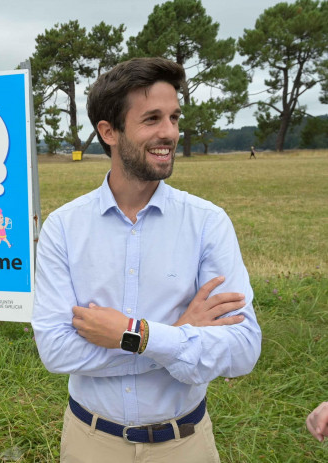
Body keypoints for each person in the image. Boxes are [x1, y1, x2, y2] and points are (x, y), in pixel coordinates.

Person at [31, 57, 262, 463]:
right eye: (152, 118)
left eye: (174, 117)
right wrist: (181, 338)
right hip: (91, 442)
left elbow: (243, 348)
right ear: (109, 131)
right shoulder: (63, 228)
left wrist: (134, 334)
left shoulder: (207, 223)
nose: (169, 132)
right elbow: (56, 350)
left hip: (185, 443)